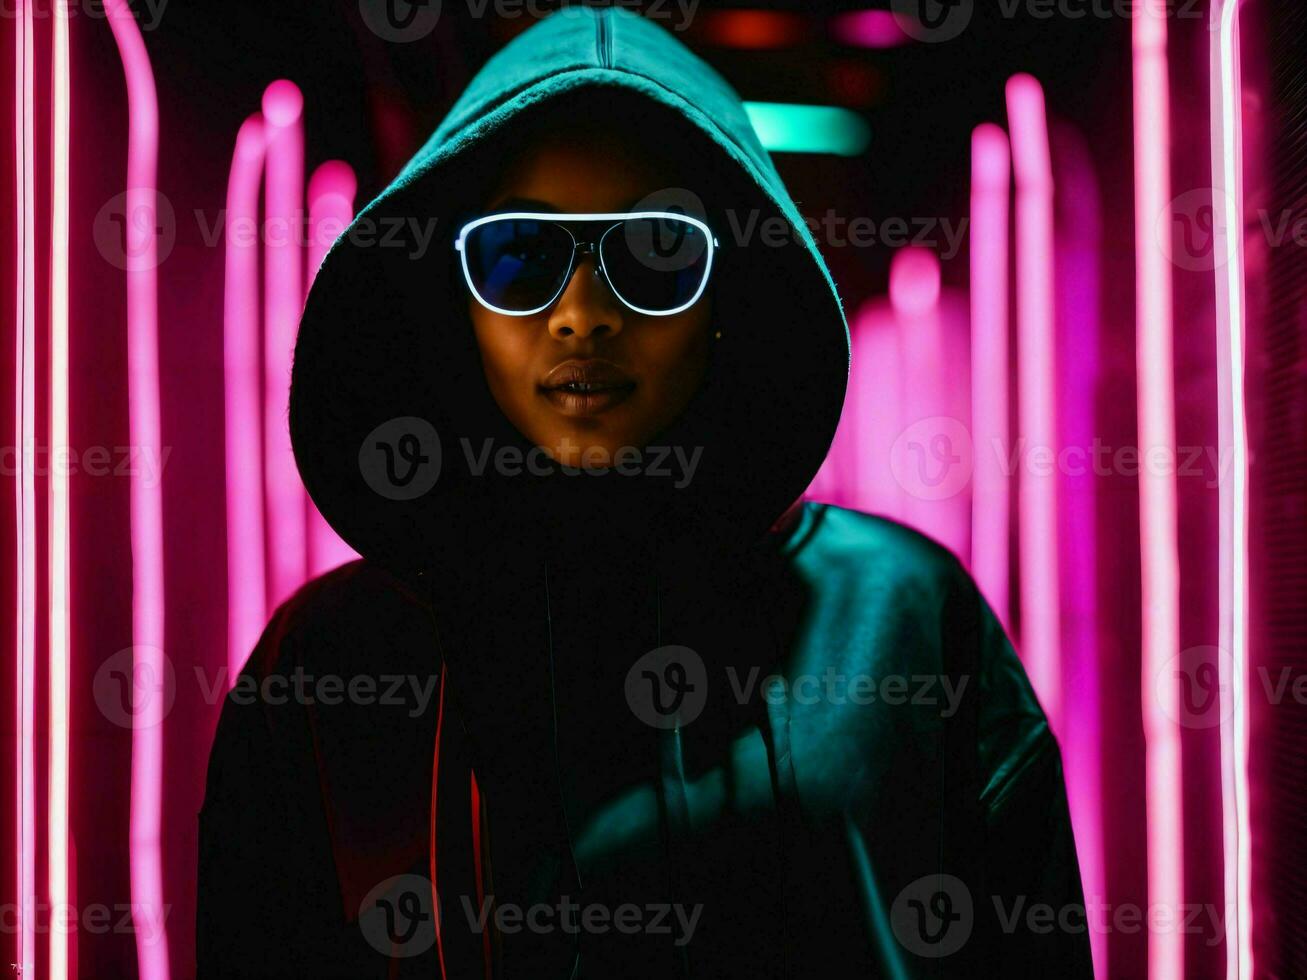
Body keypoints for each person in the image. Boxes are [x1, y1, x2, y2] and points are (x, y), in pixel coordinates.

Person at [197, 7, 1091, 978]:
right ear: (452, 300)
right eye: (519, 257)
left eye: (654, 253)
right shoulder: (328, 665)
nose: (582, 314)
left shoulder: (900, 617)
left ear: (726, 294)